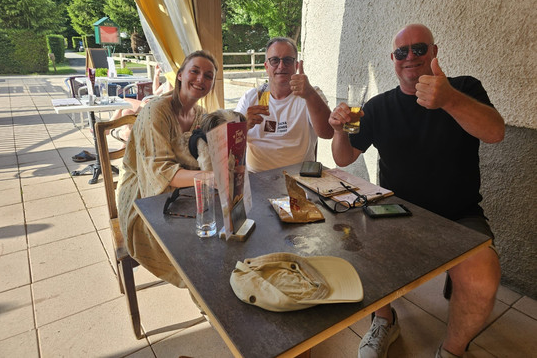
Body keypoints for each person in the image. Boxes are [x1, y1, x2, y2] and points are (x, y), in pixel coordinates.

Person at [329, 24, 504, 358]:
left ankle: (452, 350)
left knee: (482, 274)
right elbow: (344, 156)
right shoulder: (377, 106)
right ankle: (384, 320)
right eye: (401, 52)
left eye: (419, 49)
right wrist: (338, 130)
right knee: (353, 240)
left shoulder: (464, 88)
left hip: (459, 214)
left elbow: (495, 132)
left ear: (434, 52)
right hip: (396, 212)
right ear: (393, 59)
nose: (410, 56)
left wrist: (449, 99)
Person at [116, 50, 218, 287]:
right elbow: (160, 172)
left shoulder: (201, 115)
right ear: (180, 75)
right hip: (143, 198)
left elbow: (213, 151)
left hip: (185, 194)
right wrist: (211, 176)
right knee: (200, 250)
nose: (201, 79)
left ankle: (210, 285)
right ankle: (204, 290)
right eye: (195, 71)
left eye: (208, 76)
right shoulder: (157, 110)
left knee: (218, 229)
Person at [234, 37, 333, 173]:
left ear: (296, 66)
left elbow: (328, 133)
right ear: (266, 66)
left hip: (299, 177)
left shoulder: (310, 93)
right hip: (256, 178)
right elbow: (229, 143)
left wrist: (310, 94)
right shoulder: (251, 97)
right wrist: (243, 125)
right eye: (275, 60)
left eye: (287, 60)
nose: (281, 66)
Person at [109, 64, 173, 144]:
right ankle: (125, 140)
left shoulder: (173, 81)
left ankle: (108, 127)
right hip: (154, 104)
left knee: (125, 101)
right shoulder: (168, 81)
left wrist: (169, 76)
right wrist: (156, 74)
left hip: (158, 108)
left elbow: (168, 95)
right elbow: (155, 92)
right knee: (127, 112)